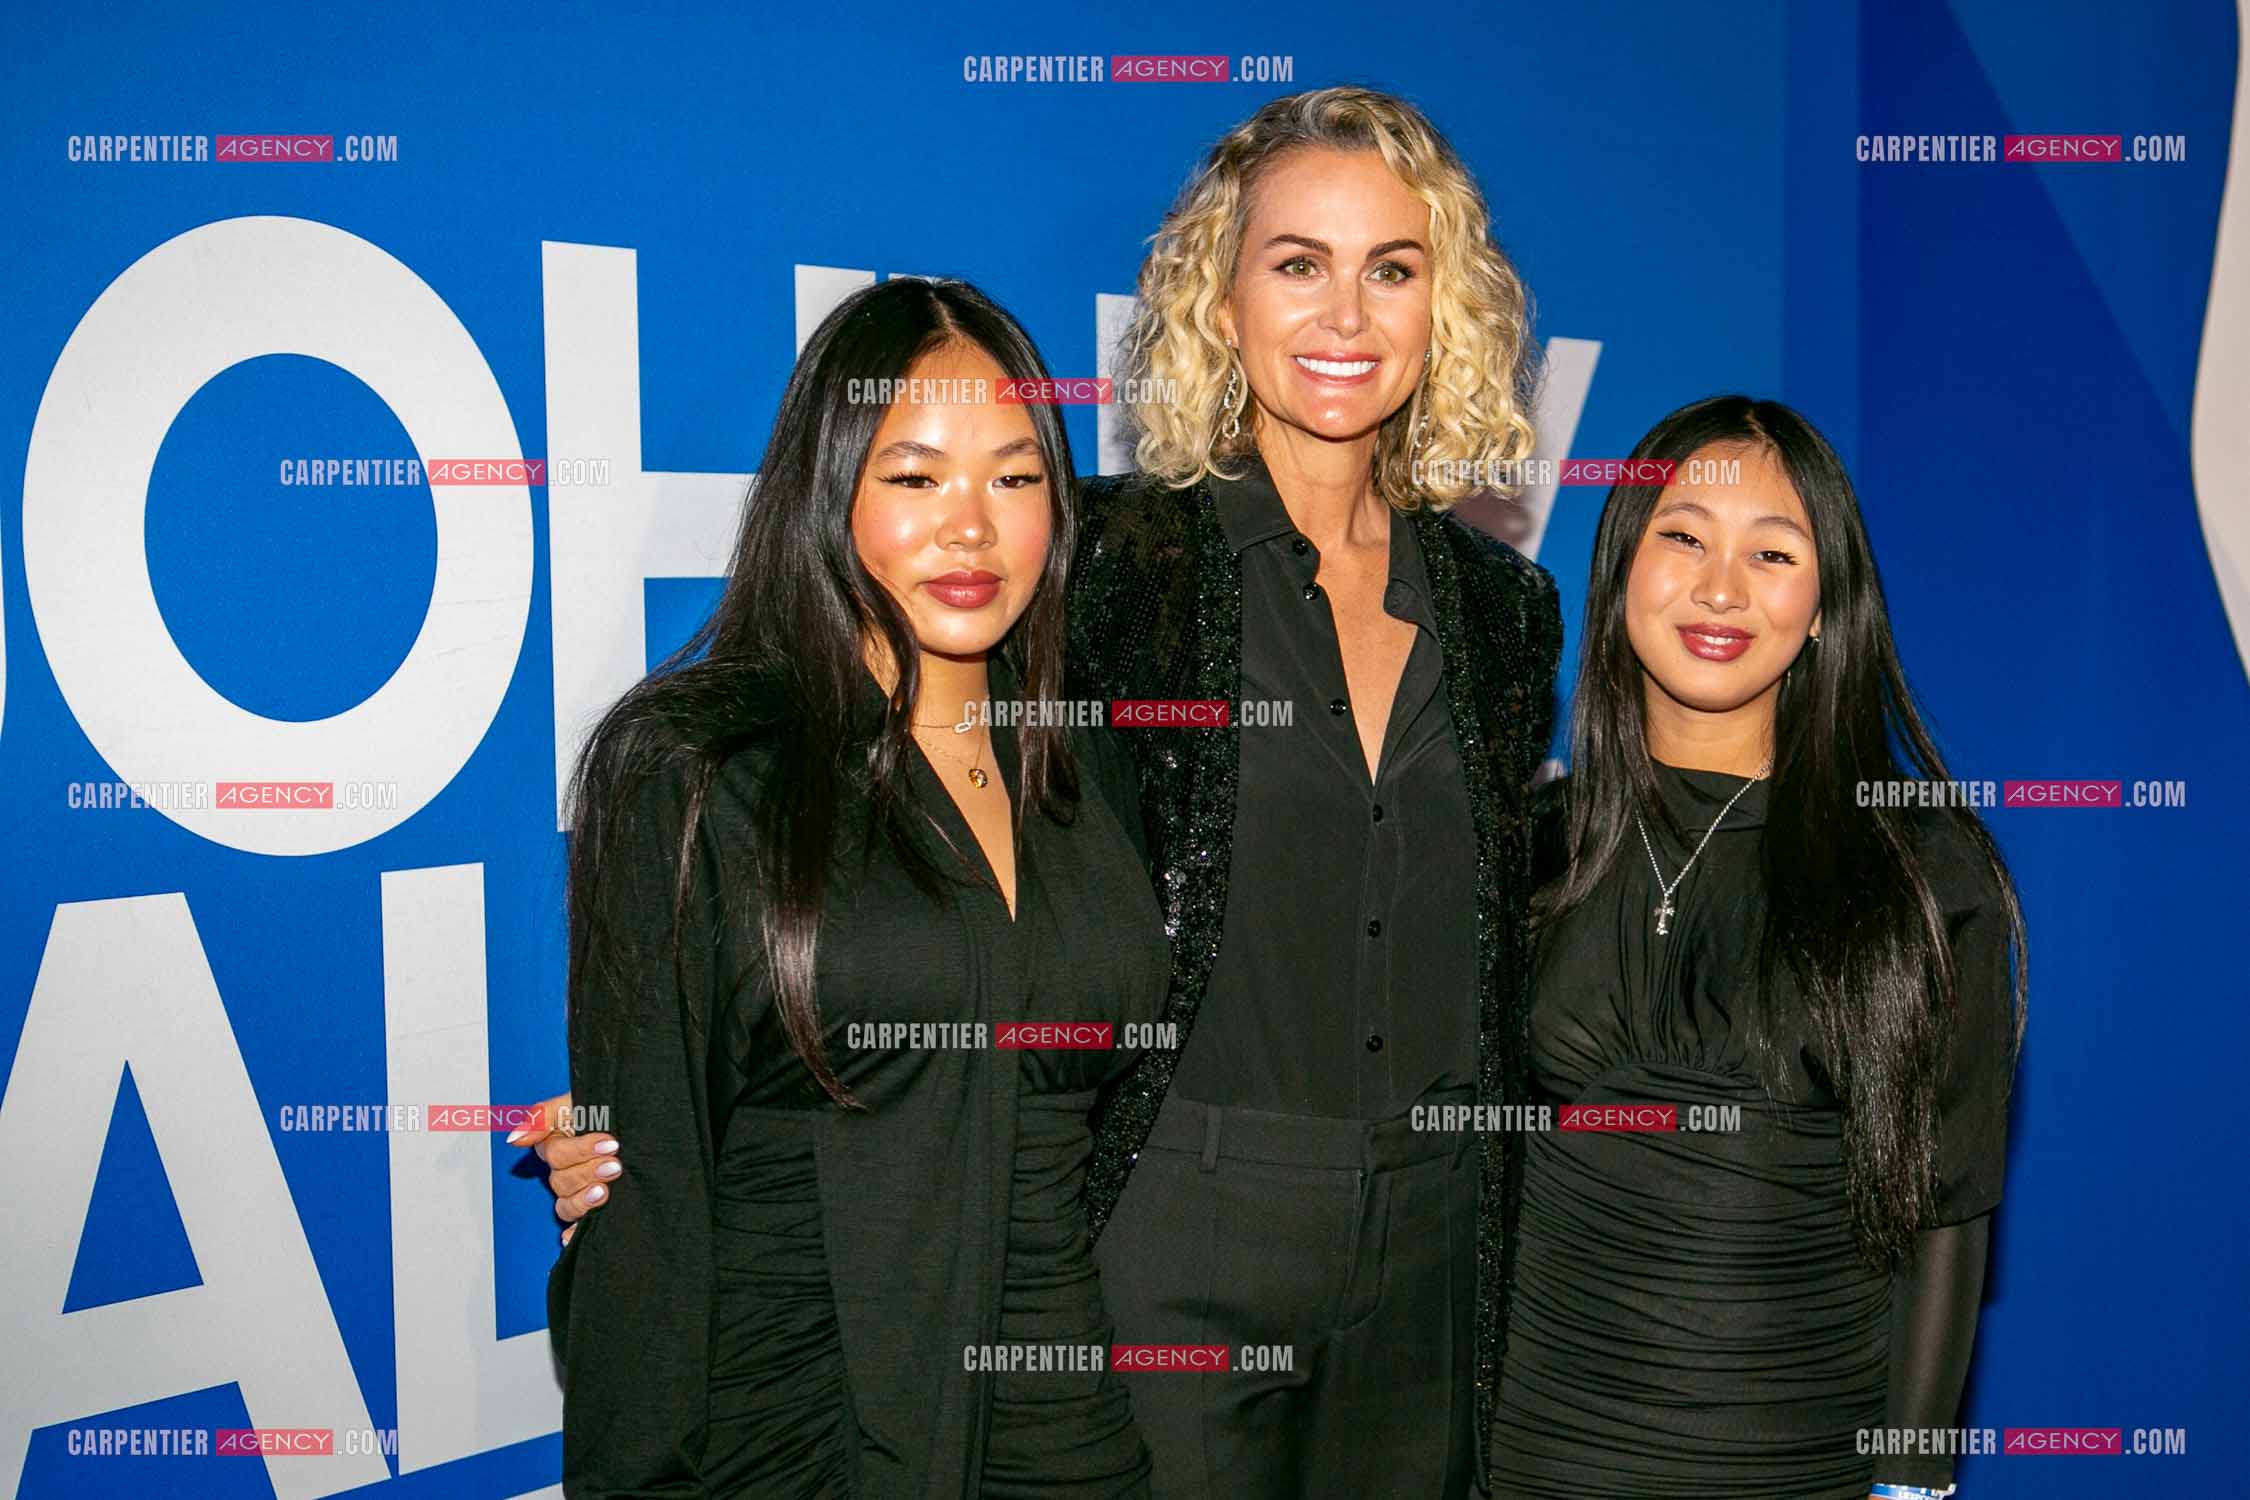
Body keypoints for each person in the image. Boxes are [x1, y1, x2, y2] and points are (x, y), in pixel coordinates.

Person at [529, 86, 1561, 1500]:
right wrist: (647, 1120)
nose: (1345, 313)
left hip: (1424, 1259)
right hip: (1171, 1233)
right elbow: (855, 848)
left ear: (1446, 301)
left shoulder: (1507, 611)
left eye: (1392, 267)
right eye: (1296, 263)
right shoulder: (1114, 566)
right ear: (1219, 293)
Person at [550, 274, 1167, 1497]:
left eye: (1015, 475)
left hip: (1066, 1429)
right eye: (915, 475)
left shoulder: (1088, 760)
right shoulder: (694, 768)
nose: (972, 528)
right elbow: (647, 1214)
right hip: (793, 1425)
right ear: (827, 489)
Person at [1487, 396, 2026, 1499]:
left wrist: (1913, 1484)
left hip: (1795, 1464)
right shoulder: (1525, 848)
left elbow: (1946, 1217)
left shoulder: (1921, 875)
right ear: (1621, 571)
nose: (1720, 588)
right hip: (1532, 1457)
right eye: (1682, 537)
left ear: (1826, 604)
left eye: (1772, 553)